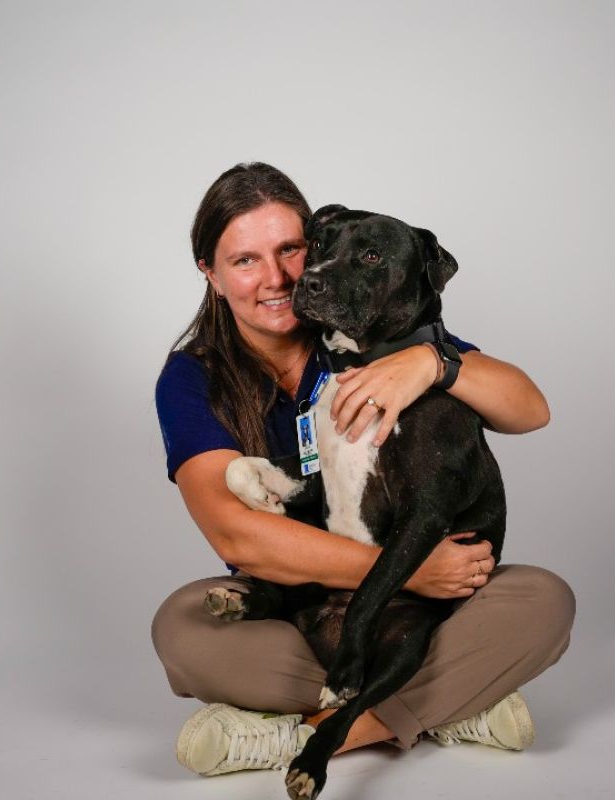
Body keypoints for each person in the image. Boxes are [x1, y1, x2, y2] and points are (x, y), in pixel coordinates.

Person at [152, 162, 575, 777]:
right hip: (302, 601)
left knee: (543, 599)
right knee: (184, 629)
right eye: (245, 261)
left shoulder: (377, 334)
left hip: (415, 615)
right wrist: (413, 575)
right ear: (210, 275)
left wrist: (437, 365)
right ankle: (448, 702)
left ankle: (304, 734)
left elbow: (530, 409)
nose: (277, 279)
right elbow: (237, 535)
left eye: (291, 250)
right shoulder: (193, 378)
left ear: (314, 246)